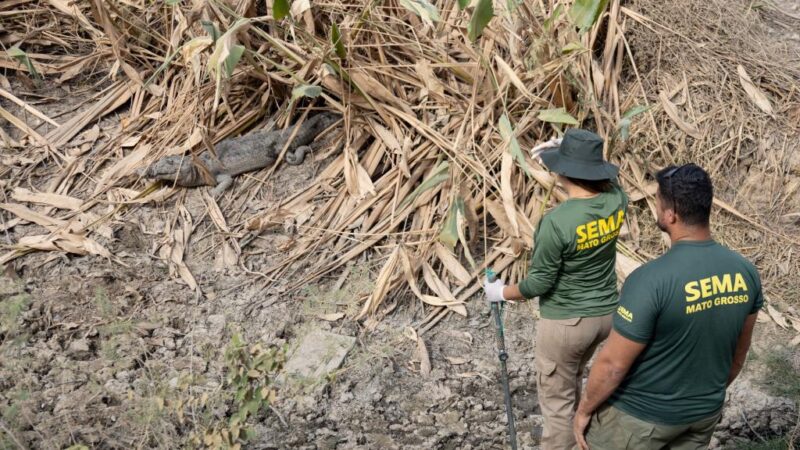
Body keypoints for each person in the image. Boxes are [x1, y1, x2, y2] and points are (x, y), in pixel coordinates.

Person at [572, 164, 763, 450]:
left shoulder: (649, 280)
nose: (656, 208)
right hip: (702, 416)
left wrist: (584, 410)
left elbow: (612, 365)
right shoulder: (745, 273)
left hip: (639, 419)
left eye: (658, 201)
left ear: (670, 214)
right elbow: (738, 353)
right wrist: (701, 399)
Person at [484, 128, 628, 450]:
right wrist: (574, 151)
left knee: (557, 404)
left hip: (567, 323)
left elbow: (539, 283)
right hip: (605, 316)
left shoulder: (557, 222)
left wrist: (500, 292)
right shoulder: (617, 200)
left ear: (563, 172)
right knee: (573, 379)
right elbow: (614, 181)